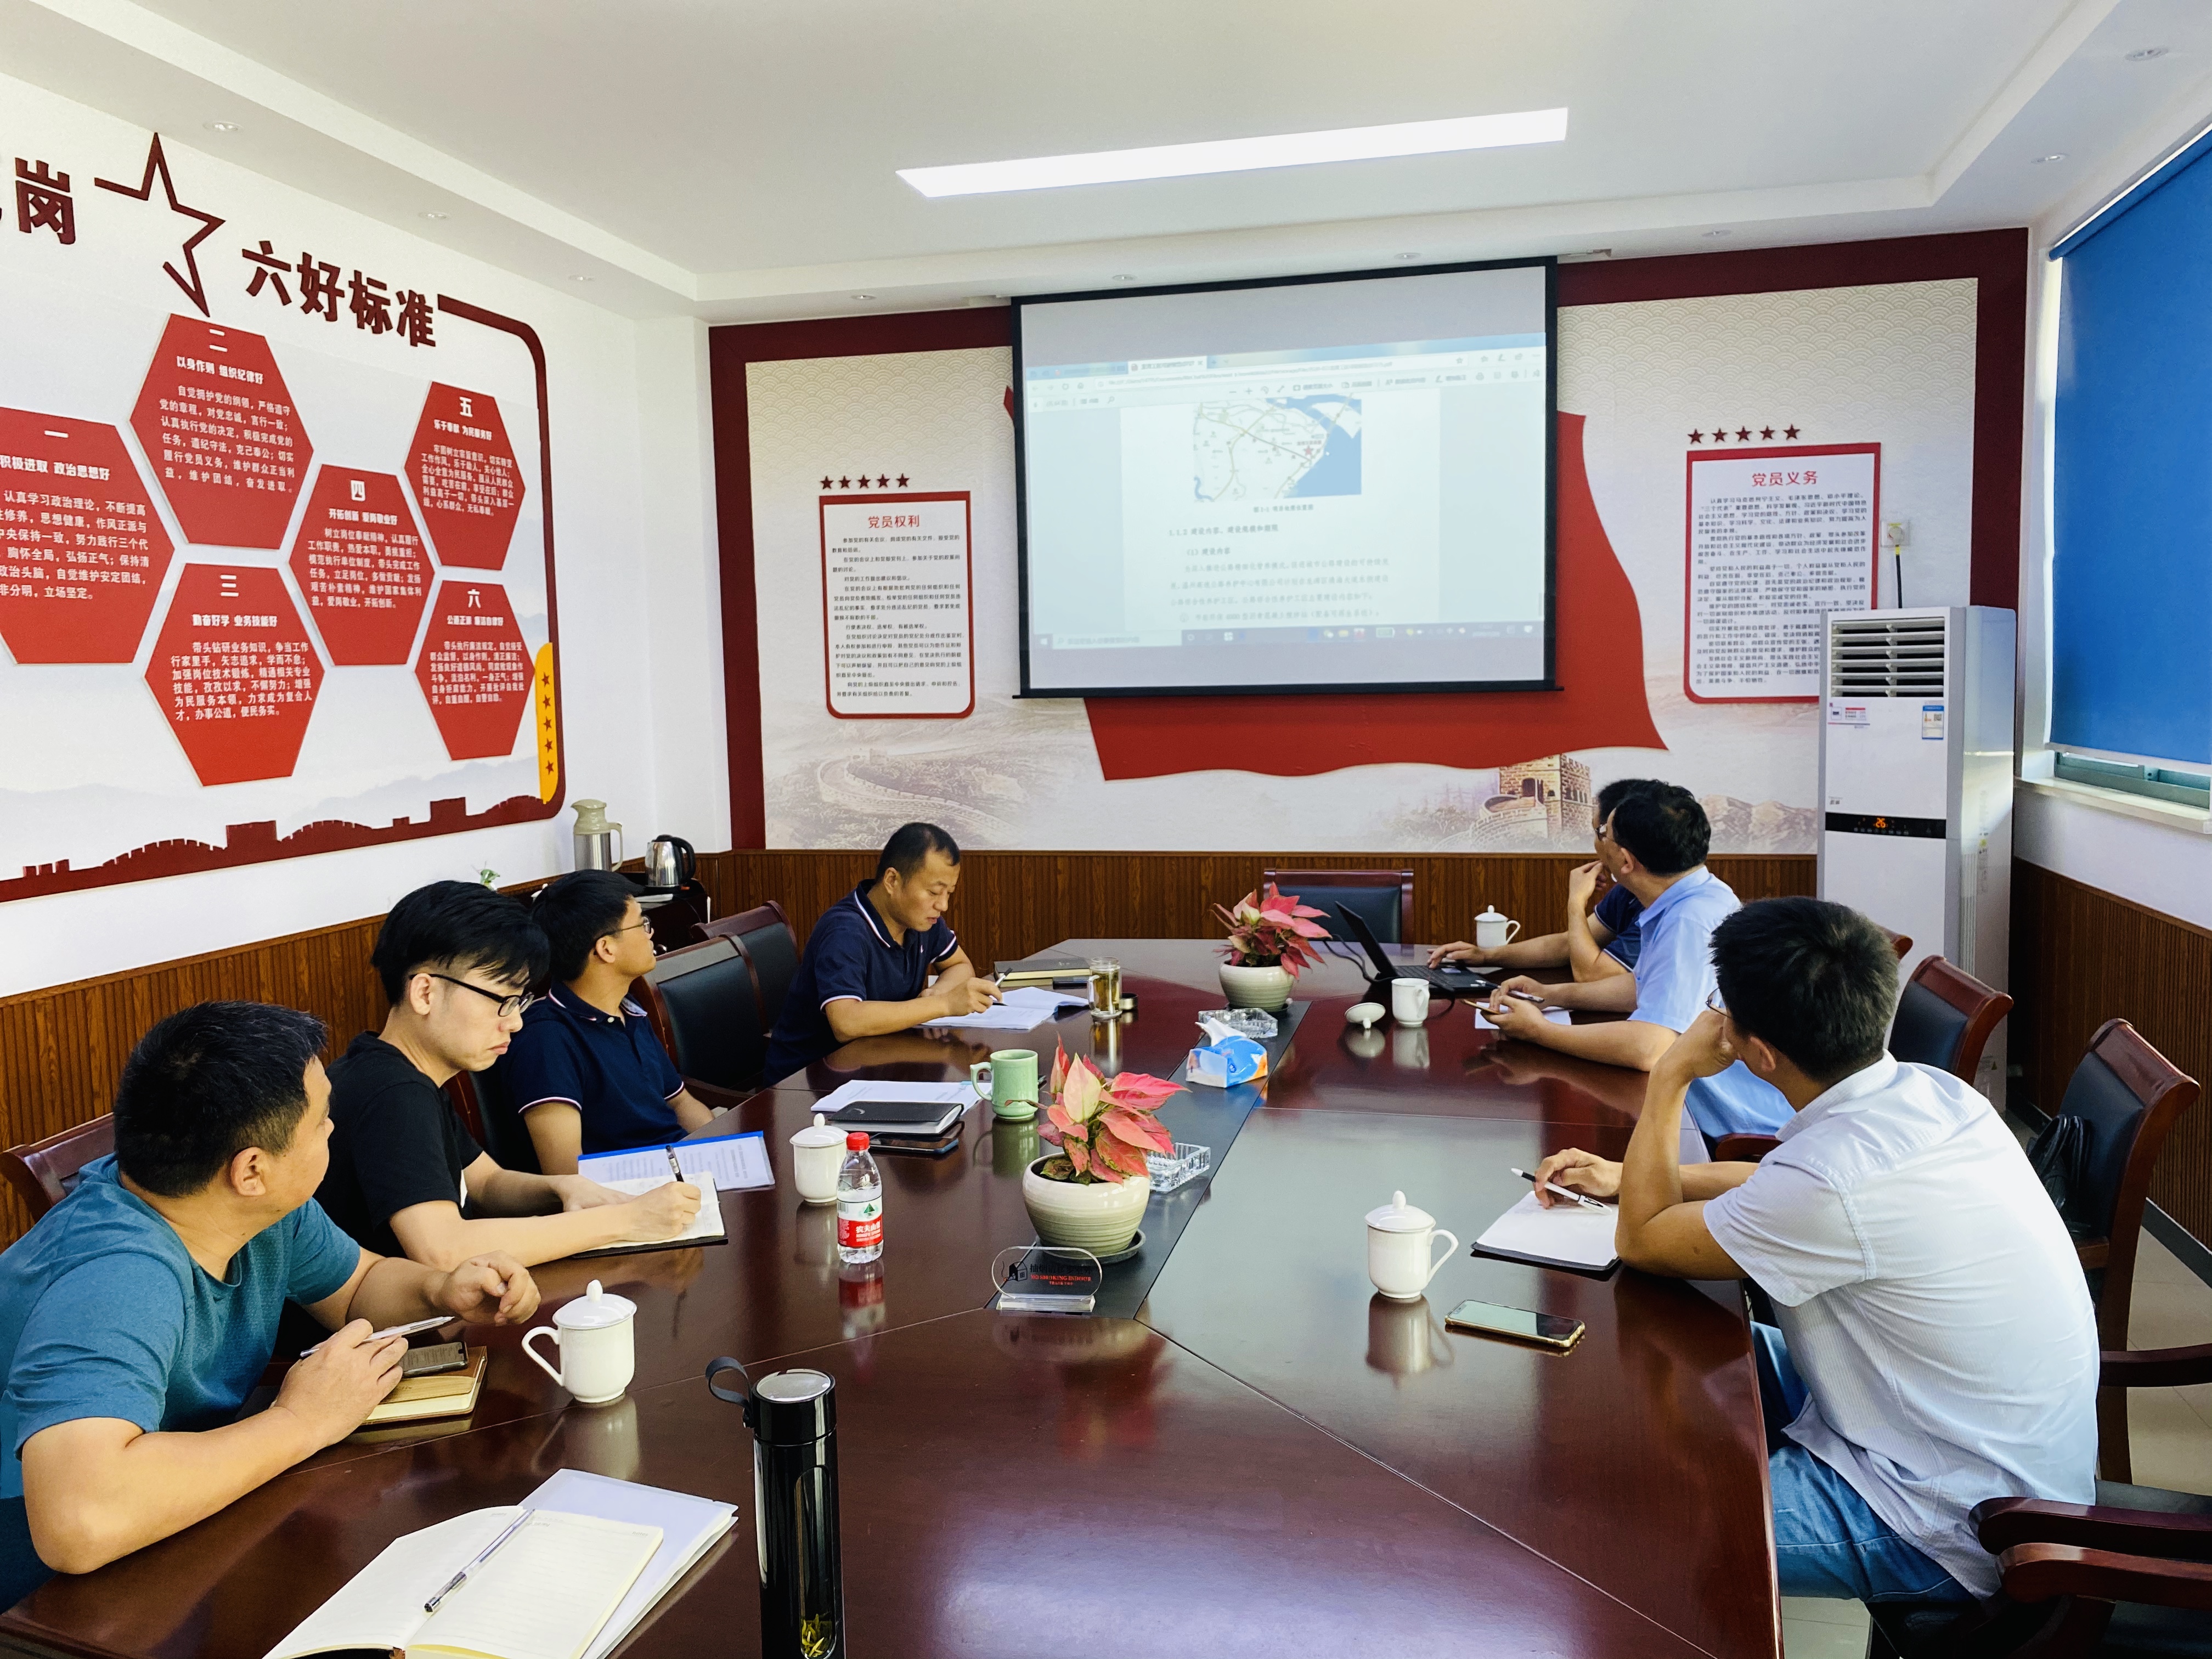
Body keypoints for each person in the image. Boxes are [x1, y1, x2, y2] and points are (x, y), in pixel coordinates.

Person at [1530, 899, 2096, 1607]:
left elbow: (1643, 1240)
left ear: (1761, 1053)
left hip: (1949, 1514)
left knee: (1639, 1532)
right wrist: (1629, 1175)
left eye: (1720, 1007)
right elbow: (1781, 1181)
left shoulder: (1831, 1183)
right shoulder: (1931, 1092)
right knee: (1689, 1341)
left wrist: (1672, 1072)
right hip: (1967, 1435)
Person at [0, 1002, 540, 1602]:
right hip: (41, 1586)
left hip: (178, 1522)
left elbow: (357, 1289)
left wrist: (440, 1290)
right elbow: (80, 1520)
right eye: (322, 1120)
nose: (333, 1129)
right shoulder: (116, 1276)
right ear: (251, 1169)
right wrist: (301, 1422)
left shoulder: (254, 1207)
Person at [317, 881, 700, 1270]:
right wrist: (626, 1220)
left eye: (520, 1001)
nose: (516, 1022)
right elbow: (443, 1249)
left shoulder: (404, 1072)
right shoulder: (391, 1092)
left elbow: (487, 1183)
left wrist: (564, 1186)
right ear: (425, 994)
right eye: (502, 1001)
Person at [1477, 782, 1789, 1135]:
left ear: (1626, 861)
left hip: (1729, 1127)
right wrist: (1551, 995)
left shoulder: (1689, 921)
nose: (1598, 842)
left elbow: (1648, 1049)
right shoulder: (1696, 895)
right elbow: (1646, 986)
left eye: (1604, 835)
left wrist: (1539, 1031)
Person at [503, 871, 715, 1176]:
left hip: (681, 1171)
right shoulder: (546, 1040)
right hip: (630, 1192)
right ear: (606, 949)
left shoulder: (630, 1010)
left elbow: (680, 1103)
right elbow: (567, 1173)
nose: (650, 933)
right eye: (642, 923)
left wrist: (717, 1154)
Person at [762, 822, 999, 1082]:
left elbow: (960, 966)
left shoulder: (921, 920)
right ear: (892, 881)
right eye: (934, 892)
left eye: (949, 893)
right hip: (806, 1082)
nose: (943, 905)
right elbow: (846, 1023)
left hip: (877, 1066)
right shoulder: (846, 931)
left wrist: (938, 992)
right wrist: (943, 1005)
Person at [1429, 777, 1655, 1007]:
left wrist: (1576, 902)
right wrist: (1486, 955)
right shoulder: (1628, 892)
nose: (1596, 844)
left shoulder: (1661, 903)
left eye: (1599, 833)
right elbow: (1566, 945)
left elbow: (1591, 976)